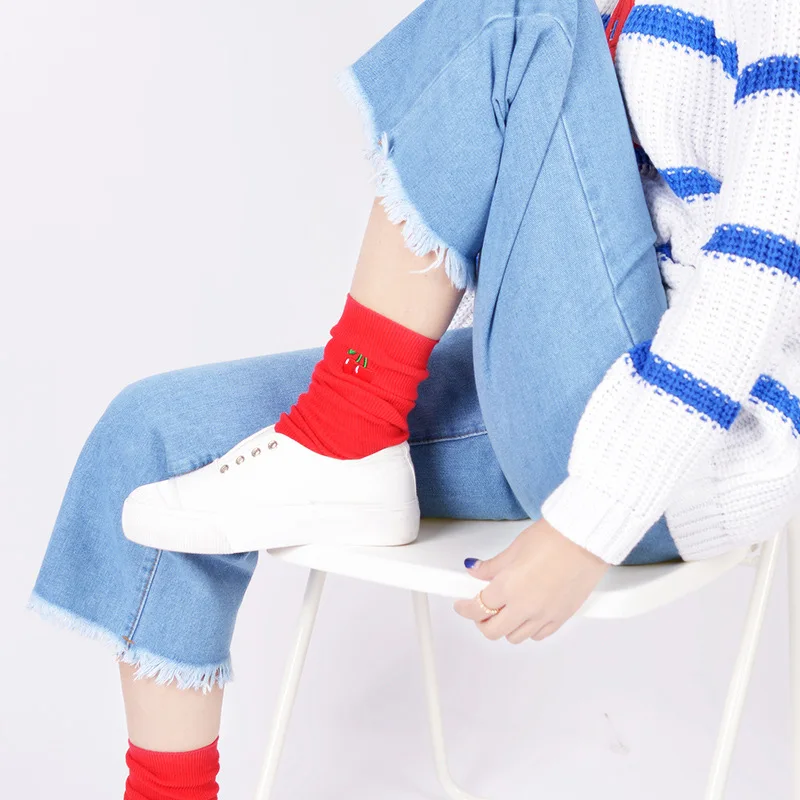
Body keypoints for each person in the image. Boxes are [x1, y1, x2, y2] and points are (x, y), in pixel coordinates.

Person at [29, 0, 800, 797]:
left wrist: (590, 523)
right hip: (565, 394)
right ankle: (349, 422)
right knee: (158, 436)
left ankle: (348, 425)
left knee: (518, 11)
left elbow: (761, 283)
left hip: (681, 462)